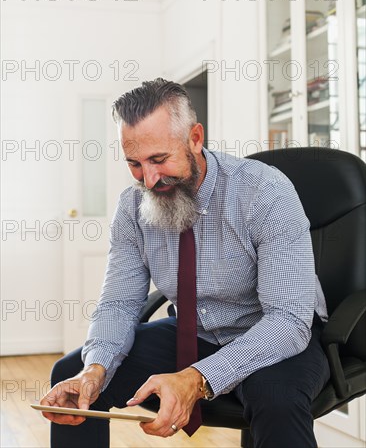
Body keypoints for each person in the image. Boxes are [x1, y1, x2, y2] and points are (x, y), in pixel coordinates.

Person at [41, 78, 330, 448]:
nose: (149, 178)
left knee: (277, 399)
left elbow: (288, 320)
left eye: (159, 159)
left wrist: (196, 377)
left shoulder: (265, 192)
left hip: (274, 331)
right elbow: (118, 303)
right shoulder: (132, 208)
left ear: (195, 137)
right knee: (71, 375)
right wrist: (94, 370)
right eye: (134, 163)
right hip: (196, 332)